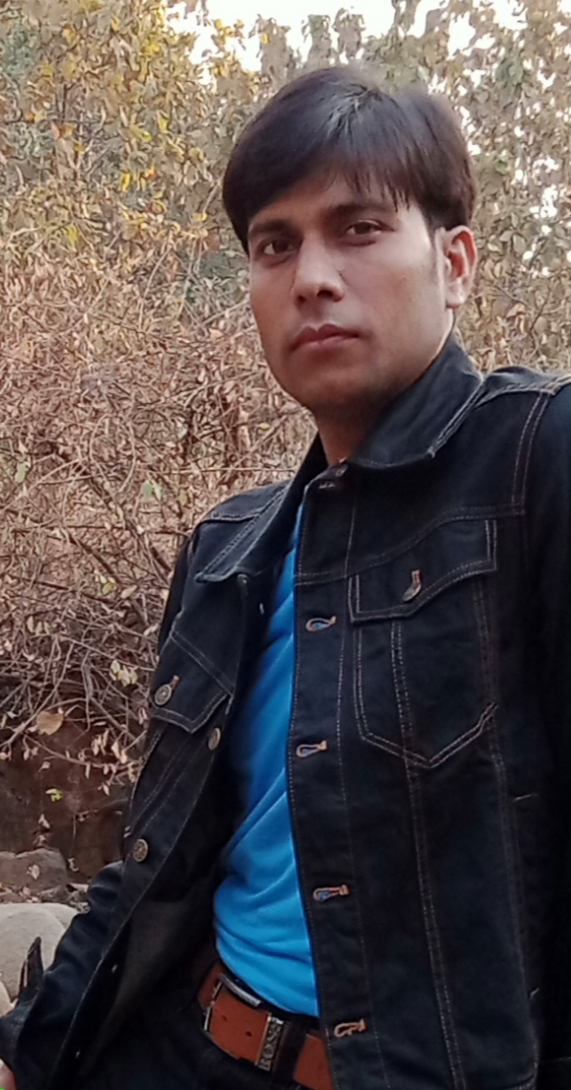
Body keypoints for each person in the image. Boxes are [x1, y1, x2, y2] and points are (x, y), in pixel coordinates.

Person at [1, 64, 570, 1090]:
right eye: (275, 243)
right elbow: (154, 862)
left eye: (358, 229)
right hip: (185, 1047)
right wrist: (26, 1053)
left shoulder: (537, 462)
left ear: (455, 262)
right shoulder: (228, 548)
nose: (311, 276)